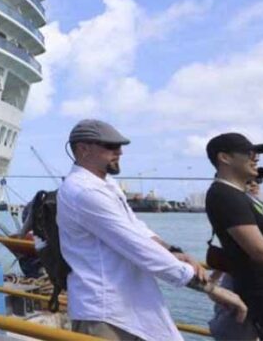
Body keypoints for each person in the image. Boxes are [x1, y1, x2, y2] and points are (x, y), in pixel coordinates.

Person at [58, 119, 246, 340]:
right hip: (105, 311)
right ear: (83, 149)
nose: (120, 152)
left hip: (127, 305)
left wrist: (172, 250)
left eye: (120, 146)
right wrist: (214, 290)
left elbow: (136, 227)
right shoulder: (84, 191)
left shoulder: (105, 184)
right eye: (110, 146)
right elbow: (137, 246)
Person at [205, 132, 263, 338]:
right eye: (248, 153)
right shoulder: (224, 195)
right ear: (224, 158)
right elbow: (259, 252)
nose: (255, 158)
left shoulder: (241, 195)